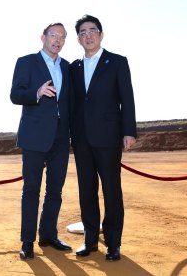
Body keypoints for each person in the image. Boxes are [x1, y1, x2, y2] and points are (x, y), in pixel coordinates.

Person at [69, 14, 137, 261]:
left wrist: (129, 131)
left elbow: (126, 98)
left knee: (111, 190)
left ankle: (113, 243)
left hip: (108, 137)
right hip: (81, 139)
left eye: (92, 30)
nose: (88, 35)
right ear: (78, 39)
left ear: (101, 34)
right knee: (86, 191)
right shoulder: (73, 68)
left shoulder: (117, 62)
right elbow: (72, 104)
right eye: (83, 32)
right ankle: (89, 240)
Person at [10, 23, 71, 260]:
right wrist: (36, 93)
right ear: (43, 37)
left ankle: (48, 235)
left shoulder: (67, 67)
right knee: (31, 190)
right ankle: (27, 241)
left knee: (55, 190)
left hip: (60, 137)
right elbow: (15, 94)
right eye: (53, 35)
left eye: (62, 37)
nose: (57, 40)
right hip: (34, 136)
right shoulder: (26, 62)